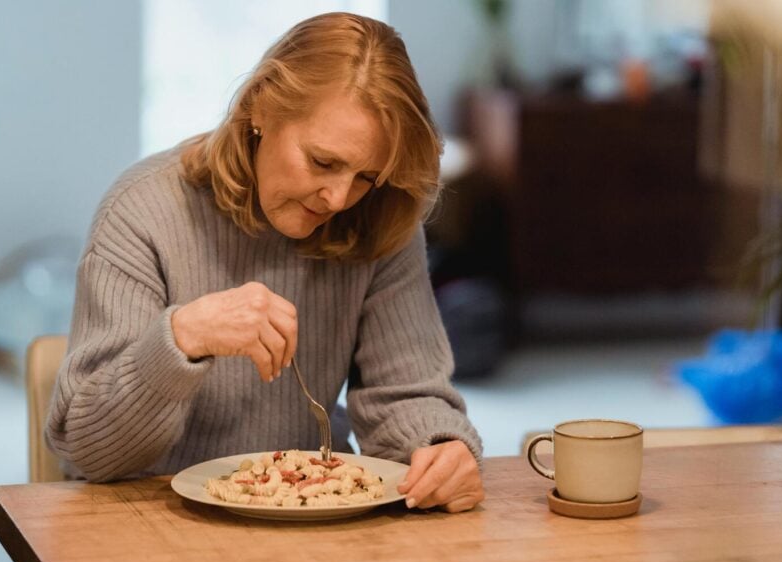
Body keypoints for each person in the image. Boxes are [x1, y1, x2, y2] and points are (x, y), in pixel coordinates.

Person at [46, 12, 484, 513]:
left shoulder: (380, 218)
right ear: (261, 108)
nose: (340, 198)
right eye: (323, 161)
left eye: (366, 176)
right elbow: (87, 450)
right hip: (149, 519)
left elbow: (405, 394)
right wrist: (182, 338)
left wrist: (436, 450)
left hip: (312, 521)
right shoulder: (141, 211)